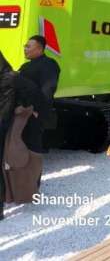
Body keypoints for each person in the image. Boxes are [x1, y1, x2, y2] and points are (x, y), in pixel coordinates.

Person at [1, 51, 43, 220]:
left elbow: (33, 90)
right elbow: (32, 91)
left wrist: (22, 105)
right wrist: (21, 105)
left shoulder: (11, 78)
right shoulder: (12, 77)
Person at [19, 35, 60, 131]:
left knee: (32, 142)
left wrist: (37, 110)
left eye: (28, 47)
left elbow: (48, 88)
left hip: (34, 113)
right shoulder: (26, 66)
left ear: (39, 49)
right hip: (23, 111)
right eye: (25, 46)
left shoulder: (49, 64)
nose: (25, 49)